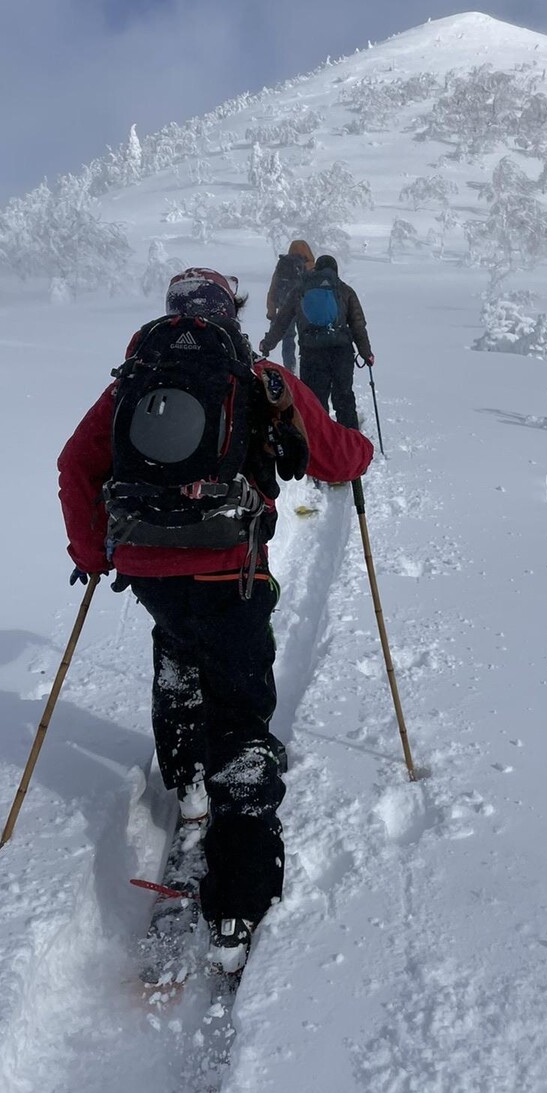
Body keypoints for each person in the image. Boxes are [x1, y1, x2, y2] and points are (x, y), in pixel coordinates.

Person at [57, 267, 372, 971]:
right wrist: (363, 453)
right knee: (239, 705)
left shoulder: (132, 381)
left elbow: (76, 463)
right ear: (229, 313)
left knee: (176, 649)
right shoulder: (258, 378)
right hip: (231, 569)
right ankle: (238, 897)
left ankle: (187, 785)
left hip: (149, 567)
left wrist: (92, 551)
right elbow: (332, 453)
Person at [260, 254, 372, 431]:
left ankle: (318, 441)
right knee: (344, 398)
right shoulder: (344, 290)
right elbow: (358, 325)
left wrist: (267, 344)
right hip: (341, 353)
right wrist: (366, 353)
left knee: (315, 403)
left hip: (311, 353)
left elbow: (282, 321)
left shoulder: (300, 290)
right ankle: (349, 440)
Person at [265, 239, 314, 373]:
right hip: (305, 309)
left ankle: (290, 368)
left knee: (288, 338)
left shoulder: (283, 264)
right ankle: (307, 369)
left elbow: (273, 288)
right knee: (307, 338)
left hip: (284, 307)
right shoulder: (311, 266)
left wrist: (271, 311)